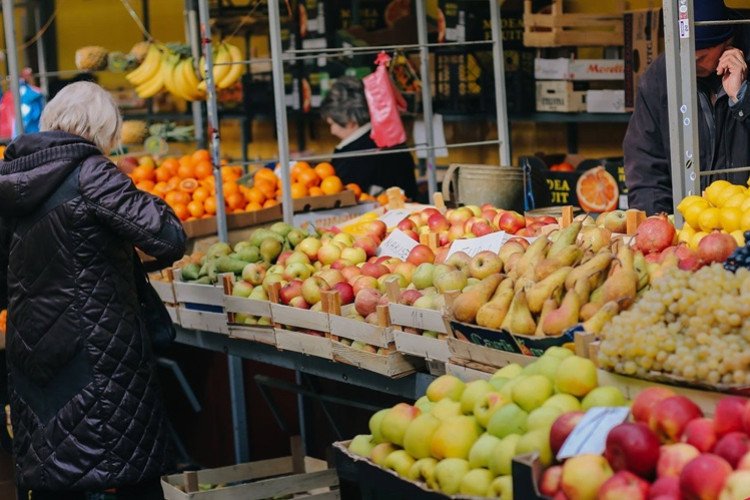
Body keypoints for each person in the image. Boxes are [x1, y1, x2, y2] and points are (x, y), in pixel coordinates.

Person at [0, 81, 187, 499]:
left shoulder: (9, 179)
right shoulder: (93, 172)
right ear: (105, 129)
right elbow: (168, 237)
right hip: (100, 357)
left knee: (58, 478)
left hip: (34, 356)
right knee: (125, 474)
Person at [623, 0, 750, 215]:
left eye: (700, 57)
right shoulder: (659, 78)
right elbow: (646, 167)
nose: (690, 63)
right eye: (683, 54)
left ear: (728, 42)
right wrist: (658, 224)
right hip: (687, 228)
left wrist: (742, 100)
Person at [320, 75, 419, 200]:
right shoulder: (390, 139)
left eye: (332, 124)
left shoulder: (353, 156)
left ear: (350, 120)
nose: (332, 131)